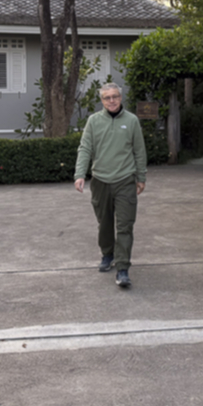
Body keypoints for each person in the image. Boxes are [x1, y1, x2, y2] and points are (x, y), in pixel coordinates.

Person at [74, 83, 147, 288]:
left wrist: (141, 177)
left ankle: (123, 269)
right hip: (100, 181)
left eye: (115, 96)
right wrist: (80, 174)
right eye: (107, 98)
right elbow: (85, 148)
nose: (112, 101)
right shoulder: (94, 121)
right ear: (102, 100)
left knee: (125, 225)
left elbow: (139, 151)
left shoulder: (131, 121)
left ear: (121, 98)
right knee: (104, 224)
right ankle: (107, 254)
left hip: (125, 180)